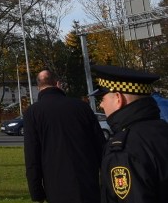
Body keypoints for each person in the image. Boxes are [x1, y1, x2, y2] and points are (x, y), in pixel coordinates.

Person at [22, 68, 104, 202]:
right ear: (58, 84)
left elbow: (32, 156)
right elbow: (100, 145)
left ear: (38, 87)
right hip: (87, 181)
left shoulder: (32, 113)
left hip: (56, 186)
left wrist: (36, 191)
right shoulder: (82, 107)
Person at [90, 64, 168, 203]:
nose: (101, 105)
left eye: (103, 98)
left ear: (118, 99)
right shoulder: (162, 129)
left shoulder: (124, 150)